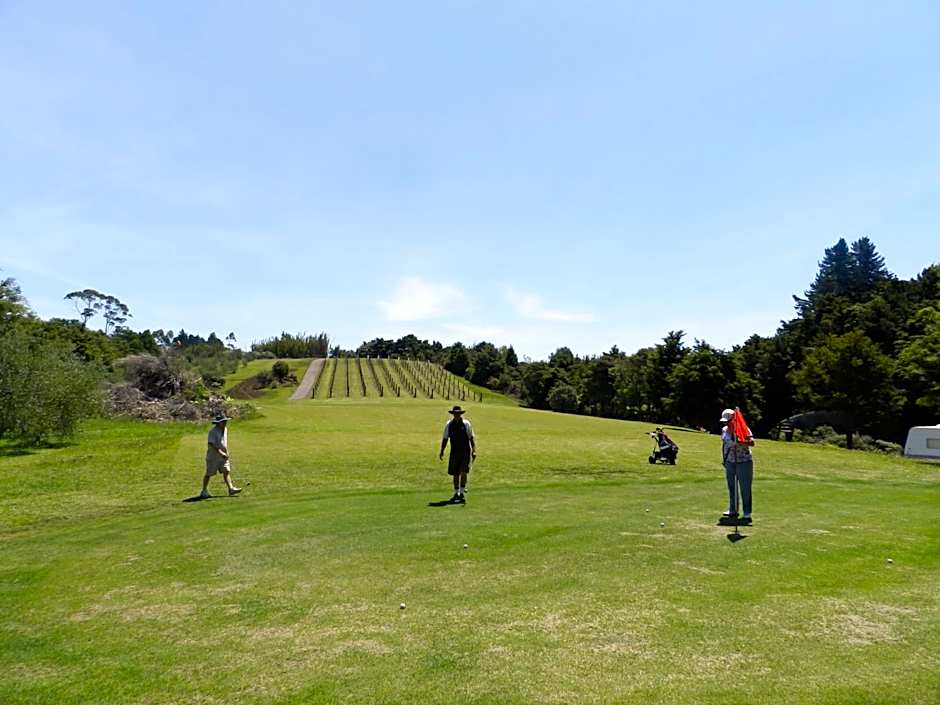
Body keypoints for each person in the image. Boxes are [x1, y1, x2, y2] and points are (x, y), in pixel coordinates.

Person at [720, 408, 754, 522]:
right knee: (732, 487)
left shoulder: (743, 429)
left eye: (727, 421)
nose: (726, 423)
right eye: (724, 422)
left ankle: (747, 513)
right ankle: (733, 509)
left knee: (745, 488)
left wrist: (739, 440)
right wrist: (724, 459)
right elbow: (724, 445)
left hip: (744, 461)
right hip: (730, 461)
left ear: (734, 420)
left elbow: (752, 443)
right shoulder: (724, 430)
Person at [200, 413, 242, 499]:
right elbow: (211, 444)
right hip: (213, 457)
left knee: (226, 471)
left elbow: (223, 442)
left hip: (223, 456)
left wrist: (226, 452)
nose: (225, 423)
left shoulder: (225, 429)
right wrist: (221, 453)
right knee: (209, 474)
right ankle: (204, 490)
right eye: (223, 422)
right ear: (218, 423)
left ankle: (231, 489)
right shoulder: (213, 432)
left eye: (225, 421)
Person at [439, 405, 476, 504]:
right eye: (455, 414)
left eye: (458, 414)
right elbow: (445, 438)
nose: (457, 415)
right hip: (454, 451)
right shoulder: (449, 424)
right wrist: (442, 450)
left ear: (460, 414)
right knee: (455, 473)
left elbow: (471, 437)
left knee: (463, 472)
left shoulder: (466, 423)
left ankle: (462, 492)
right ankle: (456, 493)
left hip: (465, 451)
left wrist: (474, 450)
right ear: (453, 414)